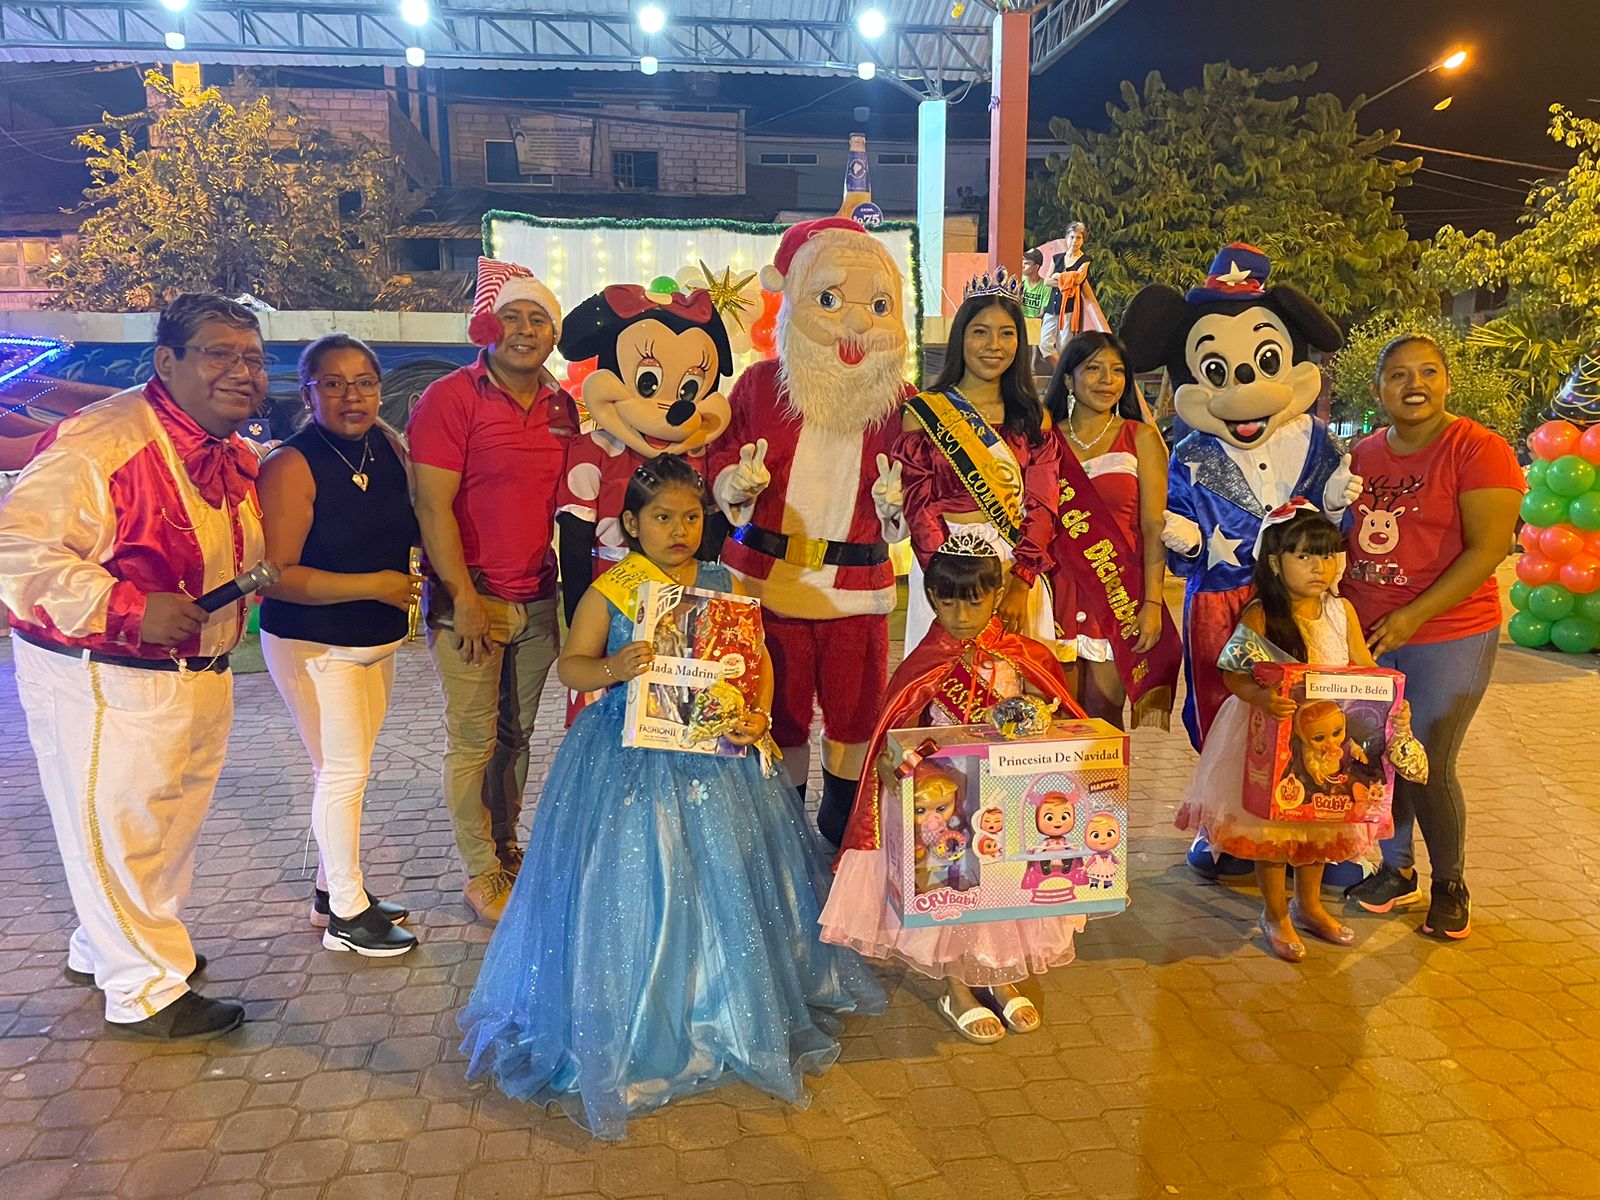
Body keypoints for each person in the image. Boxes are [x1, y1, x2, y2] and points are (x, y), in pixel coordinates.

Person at [459, 455, 884, 1140]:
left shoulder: (722, 582)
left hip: (715, 755)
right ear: (632, 524)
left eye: (691, 516)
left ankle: (719, 1003)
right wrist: (611, 667)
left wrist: (758, 712)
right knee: (639, 872)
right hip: (628, 756)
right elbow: (571, 664)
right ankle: (646, 1013)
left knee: (721, 874)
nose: (679, 529)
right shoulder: (614, 589)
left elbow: (757, 659)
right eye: (662, 517)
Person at [0, 293, 268, 1039]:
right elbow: (17, 548)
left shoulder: (229, 451)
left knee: (163, 825)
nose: (241, 372)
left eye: (252, 358)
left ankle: (116, 947)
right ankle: (143, 989)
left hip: (196, 671)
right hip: (107, 671)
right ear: (167, 362)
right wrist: (126, 607)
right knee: (121, 827)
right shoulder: (107, 440)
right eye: (219, 354)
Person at [820, 533, 1087, 1044]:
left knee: (1005, 883)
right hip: (950, 799)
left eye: (974, 601)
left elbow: (1055, 711)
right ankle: (957, 988)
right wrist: (893, 763)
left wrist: (1041, 719)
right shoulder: (927, 658)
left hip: (1007, 794)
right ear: (930, 598)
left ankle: (1000, 974)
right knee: (956, 889)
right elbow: (899, 727)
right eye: (947, 602)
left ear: (997, 594)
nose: (961, 616)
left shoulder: (1022, 654)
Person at [708, 218, 914, 846]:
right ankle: (781, 826)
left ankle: (843, 820)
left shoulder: (902, 404)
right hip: (769, 586)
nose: (855, 325)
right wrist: (733, 484)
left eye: (876, 307)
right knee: (778, 712)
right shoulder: (759, 386)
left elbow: (924, 486)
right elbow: (719, 455)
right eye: (830, 300)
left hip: (858, 589)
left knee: (856, 714)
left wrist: (898, 507)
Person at [1339, 334, 1525, 940]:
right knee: (1375, 754)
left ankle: (1451, 884)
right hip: (1369, 634)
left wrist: (1414, 615)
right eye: (1398, 374)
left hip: (1449, 631)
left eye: (1427, 372)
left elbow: (1489, 549)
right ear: (1378, 388)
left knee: (1427, 759)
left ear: (1446, 381)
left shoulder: (1478, 448)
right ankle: (1397, 870)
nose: (1413, 384)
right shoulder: (1363, 453)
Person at [408, 258, 577, 924]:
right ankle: (481, 872)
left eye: (539, 319)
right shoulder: (451, 397)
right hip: (472, 598)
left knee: (518, 735)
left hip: (538, 597)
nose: (525, 330)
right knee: (474, 742)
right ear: (487, 325)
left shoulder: (564, 406)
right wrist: (463, 598)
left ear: (554, 334)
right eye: (512, 316)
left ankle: (506, 848)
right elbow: (432, 505)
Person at [1176, 506, 1416, 961]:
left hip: (1329, 739)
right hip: (1271, 738)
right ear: (1274, 561)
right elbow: (1232, 672)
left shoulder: (1341, 611)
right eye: (1304, 556)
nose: (1318, 567)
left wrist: (1392, 703)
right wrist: (1262, 698)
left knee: (1319, 823)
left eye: (1326, 556)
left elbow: (1365, 667)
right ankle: (1275, 914)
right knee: (1273, 831)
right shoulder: (1261, 614)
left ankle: (1308, 906)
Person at [257, 333, 423, 957]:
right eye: (333, 383)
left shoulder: (387, 445)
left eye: (364, 383)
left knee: (346, 769)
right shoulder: (291, 463)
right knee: (343, 772)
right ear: (308, 393)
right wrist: (375, 584)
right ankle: (348, 918)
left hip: (374, 641)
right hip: (314, 643)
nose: (352, 396)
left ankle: (333, 892)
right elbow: (277, 575)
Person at [899, 279, 1061, 658]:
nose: (994, 345)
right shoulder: (925, 413)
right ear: (961, 337)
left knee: (1013, 679)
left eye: (1007, 333)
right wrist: (946, 578)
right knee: (943, 678)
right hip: (942, 561)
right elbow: (918, 505)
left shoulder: (1034, 418)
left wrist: (1021, 580)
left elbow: (1043, 505)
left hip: (1013, 562)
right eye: (980, 332)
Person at [1043, 331, 1182, 729]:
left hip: (1117, 593)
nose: (1107, 380)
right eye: (1093, 369)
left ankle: (1105, 778)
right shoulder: (1044, 439)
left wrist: (1152, 603)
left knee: (1103, 716)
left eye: (1117, 371)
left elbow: (1153, 526)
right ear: (1068, 378)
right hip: (1054, 594)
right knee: (1053, 714)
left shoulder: (1141, 438)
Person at [1037, 222, 1110, 361]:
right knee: (1044, 343)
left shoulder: (1085, 260)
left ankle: (1063, 371)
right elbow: (1047, 281)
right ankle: (1059, 369)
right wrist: (1067, 280)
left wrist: (1058, 276)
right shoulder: (1057, 258)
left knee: (1064, 345)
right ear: (1067, 237)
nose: (1074, 241)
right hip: (1052, 306)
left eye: (1078, 238)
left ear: (1082, 240)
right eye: (1072, 237)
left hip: (1069, 308)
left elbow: (1078, 280)